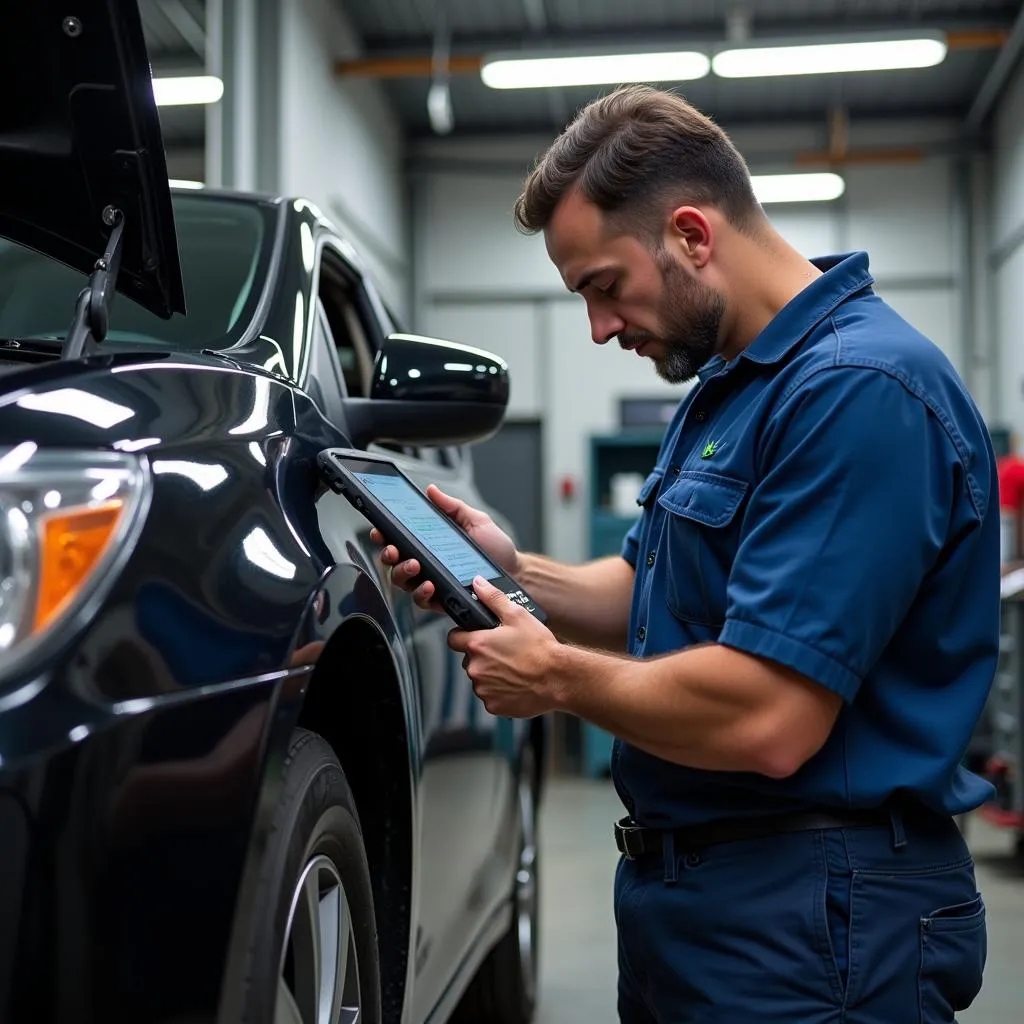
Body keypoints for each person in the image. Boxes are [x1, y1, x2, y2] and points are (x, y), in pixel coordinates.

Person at [374, 85, 999, 1022]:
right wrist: (506, 570)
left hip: (813, 918)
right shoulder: (731, 387)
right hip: (706, 905)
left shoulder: (858, 392)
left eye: (603, 285)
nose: (597, 326)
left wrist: (555, 680)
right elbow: (650, 588)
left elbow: (770, 718)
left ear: (693, 235)